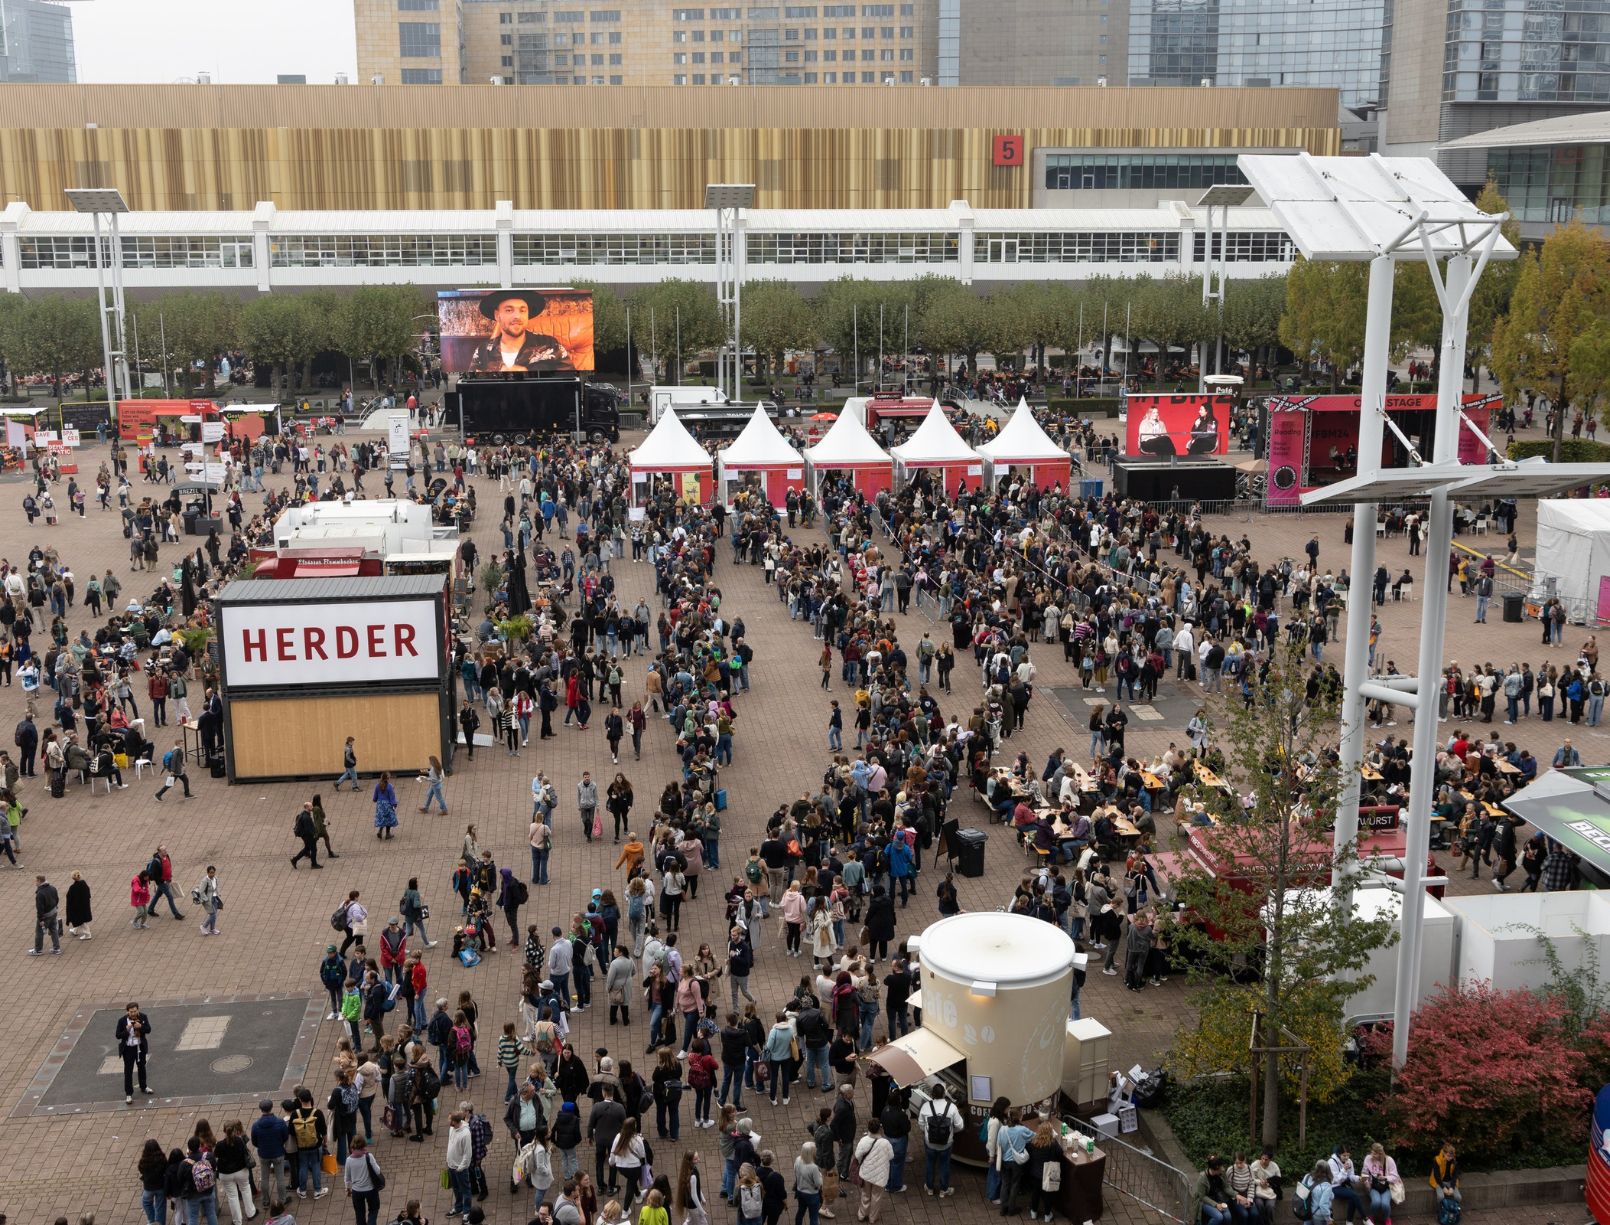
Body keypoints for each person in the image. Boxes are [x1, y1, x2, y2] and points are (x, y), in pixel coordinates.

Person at [464, 290, 575, 373]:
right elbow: (471, 390)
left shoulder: (550, 345)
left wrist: (528, 376)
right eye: (509, 310)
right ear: (497, 315)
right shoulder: (483, 351)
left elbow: (570, 383)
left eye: (522, 310)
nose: (517, 316)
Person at [917, 1083, 961, 1198]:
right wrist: (951, 1132)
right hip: (946, 1144)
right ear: (944, 1094)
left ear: (932, 1094)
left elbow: (921, 1124)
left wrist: (927, 1132)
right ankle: (944, 1190)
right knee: (944, 1165)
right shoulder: (951, 1107)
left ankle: (930, 1188)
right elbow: (960, 1126)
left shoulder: (926, 1106)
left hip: (929, 1143)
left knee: (930, 1164)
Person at [850, 1119, 893, 1225]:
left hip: (866, 1174)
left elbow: (857, 1155)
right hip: (880, 1176)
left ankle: (861, 1214)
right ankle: (872, 1218)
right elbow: (891, 1156)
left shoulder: (864, 1140)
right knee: (876, 1197)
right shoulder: (885, 1143)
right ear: (880, 1129)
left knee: (865, 1194)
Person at [118, 1002, 153, 1103]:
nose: (133, 1013)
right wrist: (127, 1029)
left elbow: (148, 1030)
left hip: (140, 1047)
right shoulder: (122, 1021)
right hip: (128, 1049)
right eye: (131, 1012)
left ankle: (144, 1086)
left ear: (138, 1010)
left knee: (141, 1066)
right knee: (128, 1071)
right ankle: (129, 1094)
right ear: (127, 1012)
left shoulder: (143, 1017)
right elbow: (118, 1035)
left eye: (135, 1011)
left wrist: (140, 1026)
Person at [1360, 1143, 1398, 1225]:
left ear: (1380, 1154)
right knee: (1376, 1202)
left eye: (1375, 1153)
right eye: (1372, 1152)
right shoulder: (1368, 1159)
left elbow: (1395, 1177)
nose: (1372, 1155)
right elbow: (1364, 1173)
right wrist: (1366, 1183)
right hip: (1373, 1187)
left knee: (1385, 1204)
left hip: (1387, 1187)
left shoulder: (1389, 1160)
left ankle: (1387, 1218)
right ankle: (1370, 1217)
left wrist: (1385, 1177)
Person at [446, 1111, 475, 1217]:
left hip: (460, 1168)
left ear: (454, 1121)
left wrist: (461, 1167)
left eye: (450, 1119)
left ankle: (466, 1212)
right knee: (456, 1188)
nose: (448, 1121)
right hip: (451, 1165)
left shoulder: (465, 1134)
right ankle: (458, 1208)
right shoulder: (451, 1128)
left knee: (465, 1190)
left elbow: (468, 1154)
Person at [1327, 1145, 1363, 1225]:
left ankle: (1349, 1221)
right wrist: (1344, 1169)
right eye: (1344, 1155)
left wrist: (1359, 1178)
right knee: (1354, 1195)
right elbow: (1335, 1180)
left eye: (1348, 1155)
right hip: (1334, 1187)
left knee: (1353, 1197)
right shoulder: (1331, 1162)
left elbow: (1350, 1176)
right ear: (1338, 1154)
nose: (1346, 1157)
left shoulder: (1349, 1161)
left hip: (1344, 1185)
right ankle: (1365, 1218)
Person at [138, 1138, 170, 1225]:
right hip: (160, 1186)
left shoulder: (143, 1160)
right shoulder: (162, 1158)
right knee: (160, 1206)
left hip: (148, 1187)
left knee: (146, 1203)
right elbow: (166, 1170)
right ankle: (160, 1223)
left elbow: (140, 1170)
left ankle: (151, 1221)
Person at [1194, 1155, 1231, 1225]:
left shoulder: (1221, 1173)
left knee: (1228, 1217)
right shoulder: (1202, 1178)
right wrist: (1216, 1205)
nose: (1223, 1169)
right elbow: (1202, 1197)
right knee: (1218, 1217)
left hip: (1219, 1199)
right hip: (1206, 1202)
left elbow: (1226, 1186)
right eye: (1221, 1168)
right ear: (1215, 1169)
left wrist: (1236, 1195)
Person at [31, 872, 61, 955]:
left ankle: (38, 950)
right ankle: (56, 948)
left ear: (39, 881)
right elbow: (57, 899)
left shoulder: (40, 894)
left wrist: (41, 919)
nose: (35, 883)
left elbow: (40, 908)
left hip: (46, 916)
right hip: (53, 912)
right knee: (54, 930)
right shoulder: (52, 888)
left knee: (39, 932)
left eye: (36, 881)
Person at [1429, 1142, 1460, 1215]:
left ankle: (1455, 1211)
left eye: (1451, 1156)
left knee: (1458, 1197)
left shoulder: (1454, 1162)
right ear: (1444, 1153)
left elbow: (1455, 1176)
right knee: (1440, 1196)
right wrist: (1443, 1188)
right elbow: (1436, 1176)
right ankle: (1440, 1211)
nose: (1450, 1158)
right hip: (1439, 1181)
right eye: (1448, 1156)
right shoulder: (1437, 1160)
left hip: (1450, 1181)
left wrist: (1452, 1187)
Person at [65, 870, 93, 939]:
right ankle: (75, 930)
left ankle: (87, 934)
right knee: (78, 919)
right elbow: (88, 895)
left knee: (81, 920)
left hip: (77, 907)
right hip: (85, 905)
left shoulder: (73, 887)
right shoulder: (84, 884)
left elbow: (70, 898)